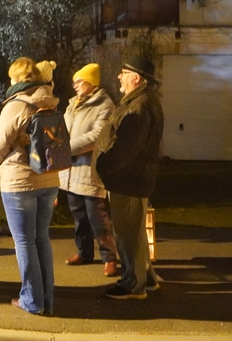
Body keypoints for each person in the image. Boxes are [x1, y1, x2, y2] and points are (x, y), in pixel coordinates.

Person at [0, 57, 59, 315]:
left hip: (20, 182)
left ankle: (32, 300)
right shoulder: (49, 102)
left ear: (17, 79)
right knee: (42, 238)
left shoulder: (16, 105)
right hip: (49, 179)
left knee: (24, 242)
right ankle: (46, 300)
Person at [95, 55, 164, 300]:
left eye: (123, 73)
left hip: (127, 180)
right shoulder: (143, 101)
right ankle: (147, 278)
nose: (119, 77)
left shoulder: (138, 106)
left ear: (136, 78)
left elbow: (126, 148)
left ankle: (133, 284)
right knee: (135, 234)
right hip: (133, 179)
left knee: (127, 235)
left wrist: (104, 165)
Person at [59, 63, 118, 277]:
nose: (75, 85)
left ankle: (109, 257)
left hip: (90, 171)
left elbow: (97, 137)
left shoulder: (105, 106)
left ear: (91, 83)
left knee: (97, 217)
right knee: (79, 216)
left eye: (79, 81)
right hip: (71, 171)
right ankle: (84, 252)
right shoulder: (72, 104)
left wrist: (66, 147)